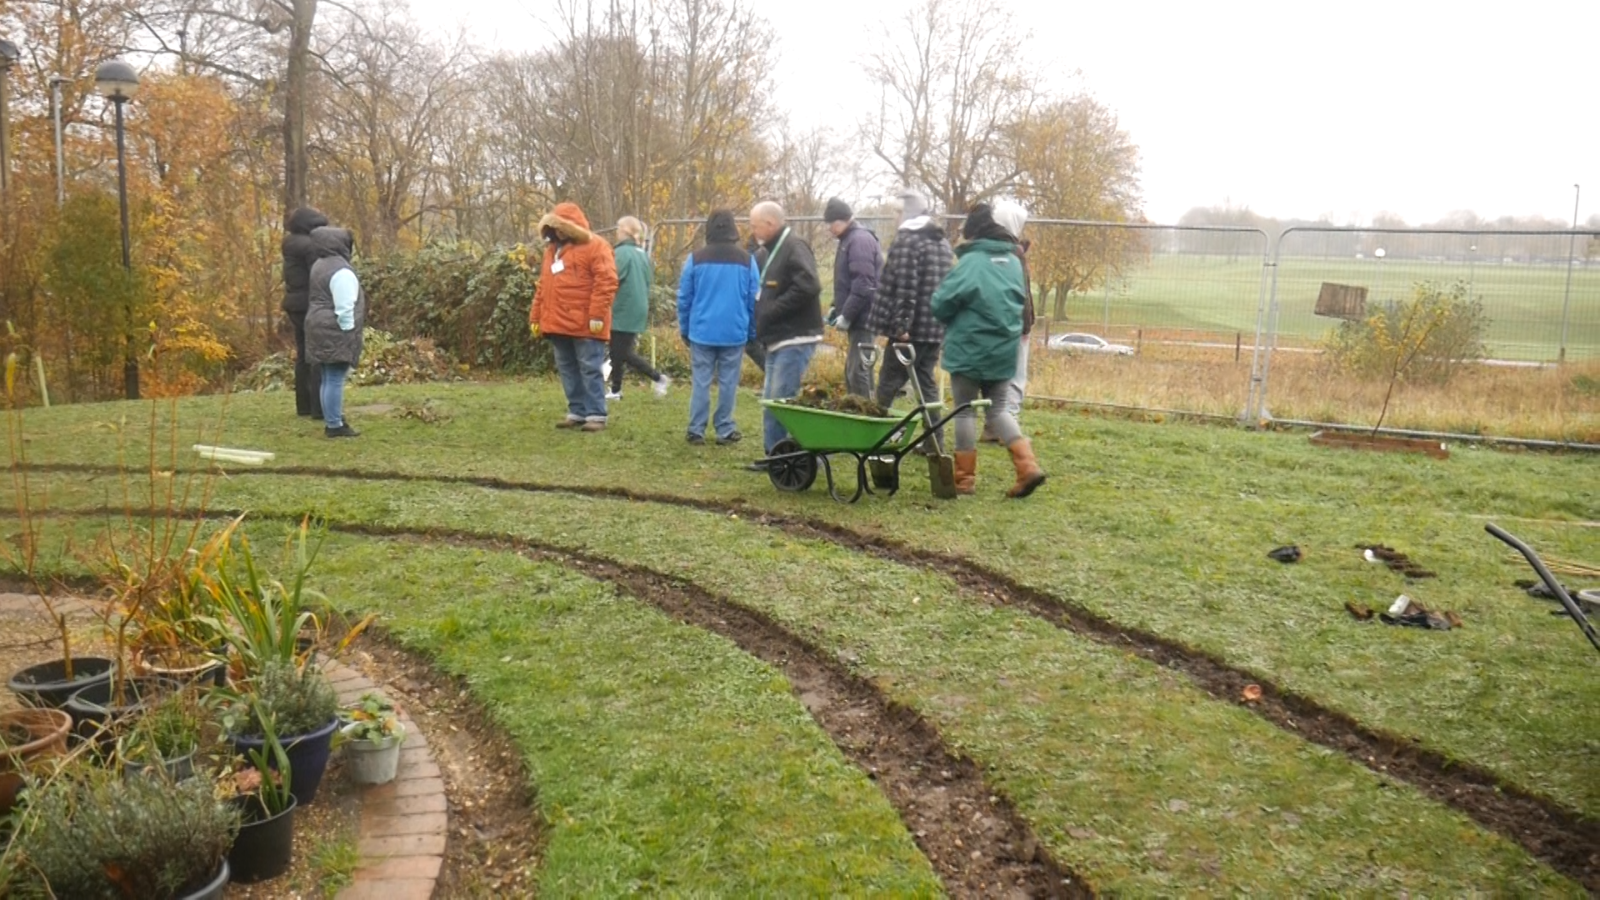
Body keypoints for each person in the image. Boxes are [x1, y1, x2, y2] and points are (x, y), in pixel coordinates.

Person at [931, 201, 1046, 498]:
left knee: (964, 411)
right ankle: (1027, 466)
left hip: (969, 349)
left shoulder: (972, 263)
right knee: (998, 410)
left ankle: (964, 481)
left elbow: (941, 303)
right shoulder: (1013, 263)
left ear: (975, 233)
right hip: (1003, 351)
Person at [529, 201, 619, 432]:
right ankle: (577, 411)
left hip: (587, 323)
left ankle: (596, 414)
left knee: (590, 368)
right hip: (557, 323)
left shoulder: (596, 246)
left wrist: (597, 315)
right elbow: (543, 287)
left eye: (560, 227)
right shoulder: (551, 252)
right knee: (568, 368)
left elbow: (606, 282)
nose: (556, 232)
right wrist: (536, 317)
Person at [870, 189, 952, 437]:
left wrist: (901, 326)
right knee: (925, 382)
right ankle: (933, 439)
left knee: (887, 382)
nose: (895, 217)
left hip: (910, 329)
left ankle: (874, 433)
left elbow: (906, 286)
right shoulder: (941, 241)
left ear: (907, 213)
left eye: (897, 212)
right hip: (933, 327)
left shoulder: (908, 240)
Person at [750, 200, 824, 462]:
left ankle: (789, 457)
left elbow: (809, 285)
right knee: (772, 400)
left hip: (795, 335)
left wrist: (772, 310)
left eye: (755, 225)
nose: (752, 230)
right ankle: (775, 455)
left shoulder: (794, 247)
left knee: (780, 399)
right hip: (776, 338)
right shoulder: (768, 251)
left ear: (770, 224)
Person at [677, 210, 759, 445]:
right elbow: (753, 299)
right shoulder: (746, 260)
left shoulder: (695, 258)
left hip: (702, 331)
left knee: (701, 381)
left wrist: (685, 328)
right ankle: (724, 427)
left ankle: (696, 429)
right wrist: (751, 331)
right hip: (734, 331)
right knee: (728, 382)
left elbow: (684, 298)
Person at [303, 226, 365, 438]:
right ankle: (334, 424)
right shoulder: (342, 271)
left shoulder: (319, 265)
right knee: (336, 377)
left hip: (317, 325)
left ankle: (333, 417)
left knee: (328, 376)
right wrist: (348, 331)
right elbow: (345, 306)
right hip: (334, 328)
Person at [822, 197, 881, 398]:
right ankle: (861, 410)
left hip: (864, 317)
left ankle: (864, 416)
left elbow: (863, 284)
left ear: (843, 220)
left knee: (858, 372)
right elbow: (845, 281)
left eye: (832, 223)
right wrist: (835, 307)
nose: (830, 228)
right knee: (856, 369)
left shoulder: (859, 241)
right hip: (860, 315)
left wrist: (846, 314)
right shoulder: (848, 240)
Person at [982, 224, 1036, 442]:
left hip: (1003, 323)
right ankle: (1006, 426)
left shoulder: (994, 251)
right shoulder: (1014, 254)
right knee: (1014, 376)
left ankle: (994, 425)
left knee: (1001, 377)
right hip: (1014, 325)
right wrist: (1025, 324)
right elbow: (1021, 292)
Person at [608, 216, 671, 400]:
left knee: (622, 352)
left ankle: (658, 378)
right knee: (617, 350)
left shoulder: (620, 254)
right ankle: (615, 390)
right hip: (638, 307)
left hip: (623, 308)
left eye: (619, 228)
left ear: (626, 231)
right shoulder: (642, 254)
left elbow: (612, 278)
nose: (616, 231)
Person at [281, 206, 328, 420]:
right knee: (317, 354)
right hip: (309, 303)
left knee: (303, 356)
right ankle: (319, 408)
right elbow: (319, 274)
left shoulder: (290, 243)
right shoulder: (309, 246)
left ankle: (304, 405)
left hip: (294, 303)